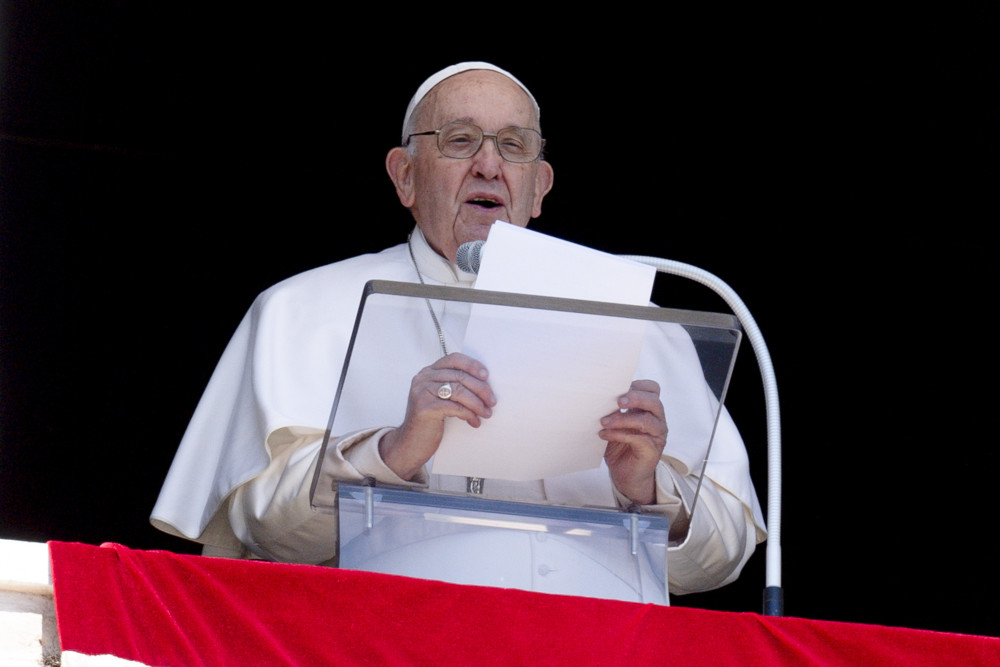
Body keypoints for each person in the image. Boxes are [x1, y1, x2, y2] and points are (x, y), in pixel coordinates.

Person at [151, 62, 766, 600]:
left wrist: (648, 489)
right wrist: (392, 454)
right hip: (386, 639)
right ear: (406, 176)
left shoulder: (644, 326)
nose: (490, 165)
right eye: (460, 140)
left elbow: (724, 556)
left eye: (513, 146)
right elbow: (264, 529)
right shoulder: (302, 307)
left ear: (540, 186)